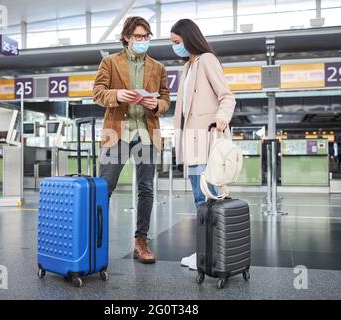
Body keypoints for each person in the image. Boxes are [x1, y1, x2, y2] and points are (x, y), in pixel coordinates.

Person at [93, 16, 170, 264]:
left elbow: (166, 99)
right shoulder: (110, 62)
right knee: (105, 186)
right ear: (126, 37)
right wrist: (117, 94)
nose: (143, 41)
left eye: (147, 37)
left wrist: (157, 104)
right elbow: (97, 93)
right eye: (138, 36)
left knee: (146, 189)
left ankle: (141, 241)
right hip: (117, 132)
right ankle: (93, 239)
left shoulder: (158, 67)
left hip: (147, 134)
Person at [171, 19, 236, 270]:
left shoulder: (207, 60)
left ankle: (212, 254)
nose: (175, 47)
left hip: (207, 141)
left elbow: (227, 96)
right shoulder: (187, 68)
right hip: (192, 143)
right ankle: (206, 253)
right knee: (201, 201)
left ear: (189, 38)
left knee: (208, 199)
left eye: (177, 42)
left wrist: (221, 119)